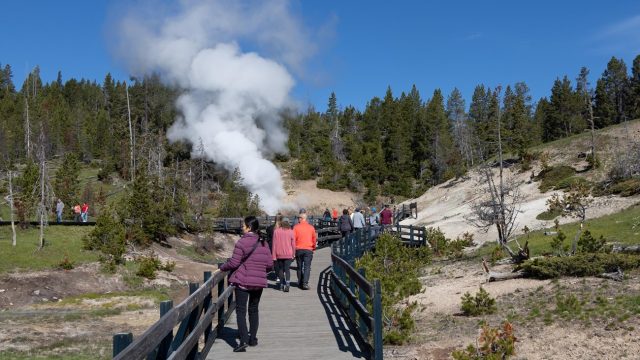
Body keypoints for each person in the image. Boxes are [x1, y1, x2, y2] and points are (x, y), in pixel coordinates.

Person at [219, 216, 273, 352]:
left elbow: (234, 263)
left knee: (241, 311)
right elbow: (270, 265)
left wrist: (222, 267)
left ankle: (243, 341)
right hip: (259, 282)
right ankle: (253, 339)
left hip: (243, 281)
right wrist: (260, 271)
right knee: (254, 310)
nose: (241, 228)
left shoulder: (241, 243)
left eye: (243, 226)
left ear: (249, 227)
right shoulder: (263, 243)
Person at [293, 213, 317, 290]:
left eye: (298, 218)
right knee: (307, 267)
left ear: (301, 218)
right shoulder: (311, 227)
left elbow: (293, 239)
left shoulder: (295, 227)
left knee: (299, 267)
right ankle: (305, 283)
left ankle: (300, 282)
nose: (297, 219)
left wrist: (293, 249)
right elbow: (314, 239)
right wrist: (313, 247)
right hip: (308, 249)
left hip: (298, 249)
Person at [271, 216, 295, 292]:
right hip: (288, 254)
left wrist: (273, 256)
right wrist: (294, 254)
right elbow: (293, 244)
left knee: (281, 269)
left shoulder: (276, 231)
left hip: (279, 254)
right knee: (287, 269)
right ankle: (287, 284)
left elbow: (274, 244)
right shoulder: (291, 231)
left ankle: (281, 284)